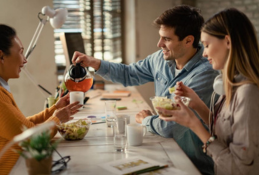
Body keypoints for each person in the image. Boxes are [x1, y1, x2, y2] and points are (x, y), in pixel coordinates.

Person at [72, 5, 218, 175]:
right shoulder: (160, 58)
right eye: (160, 37)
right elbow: (129, 74)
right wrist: (94, 63)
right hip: (166, 149)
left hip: (193, 164)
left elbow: (170, 126)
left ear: (188, 40)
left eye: (167, 39)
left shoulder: (206, 74)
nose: (159, 44)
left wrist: (147, 120)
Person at [157, 8, 259, 175]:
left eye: (207, 45)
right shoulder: (230, 85)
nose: (204, 53)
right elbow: (226, 133)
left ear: (228, 42)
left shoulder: (248, 93)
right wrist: (198, 105)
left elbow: (239, 168)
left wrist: (193, 124)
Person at [0, 23, 82, 175]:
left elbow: (21, 126)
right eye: (21, 52)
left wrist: (54, 110)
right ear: (1, 56)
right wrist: (57, 119)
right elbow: (29, 138)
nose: (25, 60)